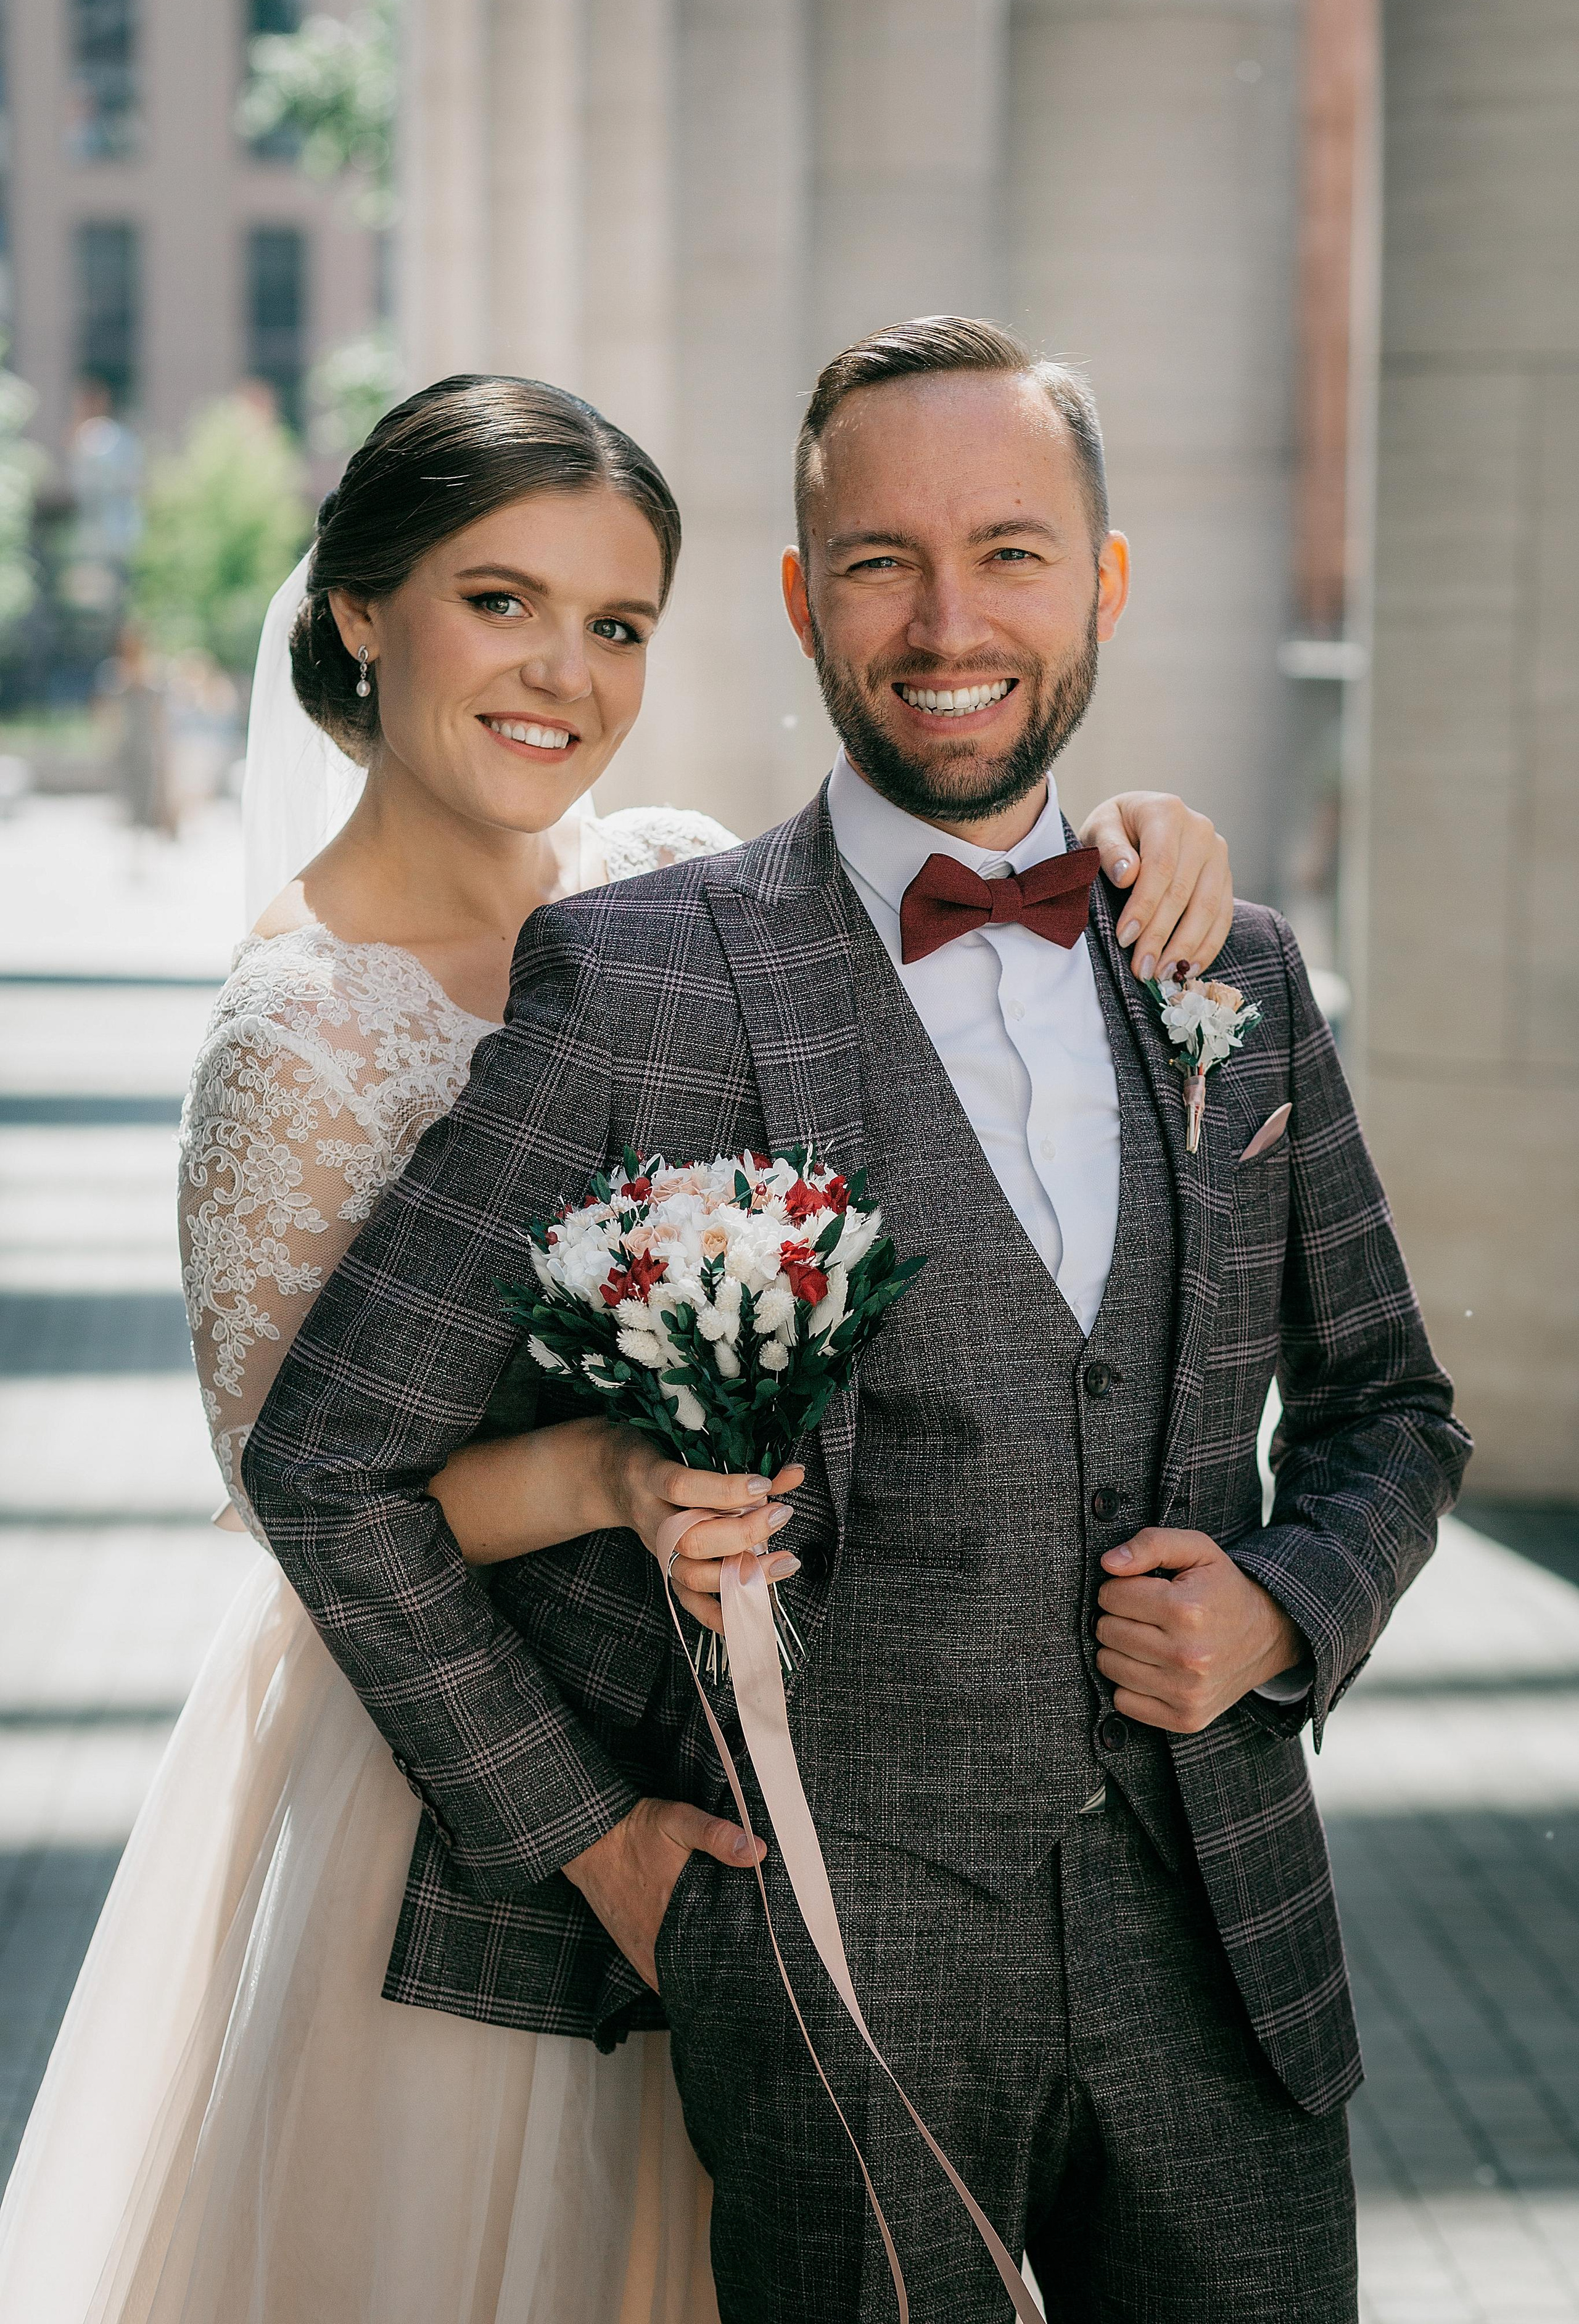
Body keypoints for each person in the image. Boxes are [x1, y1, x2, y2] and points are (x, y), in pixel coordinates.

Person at [242, 323, 1471, 2322]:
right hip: (828, 1981)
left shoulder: (1224, 962)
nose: (947, 618)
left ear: (1108, 581)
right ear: (807, 604)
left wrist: (1287, 1601)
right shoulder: (642, 976)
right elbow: (329, 1460)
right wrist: (592, 1844)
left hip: (1231, 1967)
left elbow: (1393, 1414)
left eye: (1010, 550)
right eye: (882, 562)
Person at [0, 369, 1234, 2324]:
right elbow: (292, 1510)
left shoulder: (665, 872)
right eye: (501, 602)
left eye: (619, 624)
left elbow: (939, 916)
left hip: (790, 1767)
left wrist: (1141, 841)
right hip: (465, 1790)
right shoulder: (298, 1045)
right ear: (354, 612)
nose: (560, 673)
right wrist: (597, 1487)